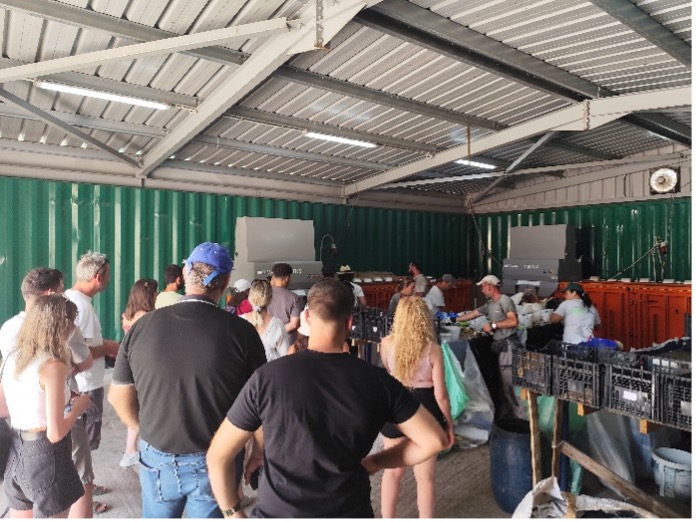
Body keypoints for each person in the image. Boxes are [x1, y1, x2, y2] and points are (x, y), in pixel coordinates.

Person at [206, 279, 449, 518]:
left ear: (307, 318)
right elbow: (434, 440)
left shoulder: (267, 378)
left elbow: (218, 455)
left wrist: (232, 512)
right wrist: (376, 462)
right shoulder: (379, 382)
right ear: (350, 322)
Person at [108, 242, 266, 518]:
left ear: (185, 273)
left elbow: (118, 395)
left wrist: (146, 430)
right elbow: (260, 404)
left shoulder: (141, 327)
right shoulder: (243, 332)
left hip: (157, 455)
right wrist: (257, 453)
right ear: (226, 281)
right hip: (216, 460)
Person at [0, 295, 91, 518]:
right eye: (72, 323)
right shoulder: (53, 366)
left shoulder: (12, 357)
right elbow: (55, 433)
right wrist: (79, 406)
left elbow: (4, 407)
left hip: (16, 452)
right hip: (46, 457)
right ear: (62, 326)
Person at [380, 296, 454, 518]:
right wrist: (449, 425)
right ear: (424, 319)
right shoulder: (433, 349)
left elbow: (389, 374)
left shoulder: (386, 343)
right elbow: (441, 395)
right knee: (425, 479)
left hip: (395, 408)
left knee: (392, 473)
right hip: (426, 413)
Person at [64, 251, 120, 517]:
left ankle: (84, 488)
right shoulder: (82, 307)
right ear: (99, 276)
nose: (108, 279)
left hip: (81, 383)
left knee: (80, 444)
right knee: (82, 445)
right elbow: (82, 351)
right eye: (107, 274)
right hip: (86, 384)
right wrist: (109, 347)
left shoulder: (72, 299)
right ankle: (81, 497)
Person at [456, 275, 526, 420]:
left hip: (508, 346)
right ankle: (509, 415)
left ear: (489, 285)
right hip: (500, 346)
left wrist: (494, 325)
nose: (482, 290)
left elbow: (513, 321)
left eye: (483, 286)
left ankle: (521, 418)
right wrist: (452, 319)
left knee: (509, 385)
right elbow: (472, 314)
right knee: (504, 385)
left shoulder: (505, 300)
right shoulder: (489, 304)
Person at [119, 278, 158, 469]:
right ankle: (133, 451)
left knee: (138, 408)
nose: (157, 295)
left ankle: (131, 450)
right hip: (145, 365)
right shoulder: (147, 317)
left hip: (133, 364)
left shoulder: (127, 315)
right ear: (149, 295)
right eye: (155, 292)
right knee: (145, 408)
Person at [242, 280, 289, 362]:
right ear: (270, 299)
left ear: (250, 299)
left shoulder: (239, 321)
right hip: (272, 369)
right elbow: (285, 357)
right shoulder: (277, 324)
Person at [266, 263, 301, 344]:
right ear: (287, 278)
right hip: (287, 340)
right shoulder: (294, 297)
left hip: (267, 339)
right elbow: (294, 324)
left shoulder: (264, 295)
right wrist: (277, 332)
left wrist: (271, 333)